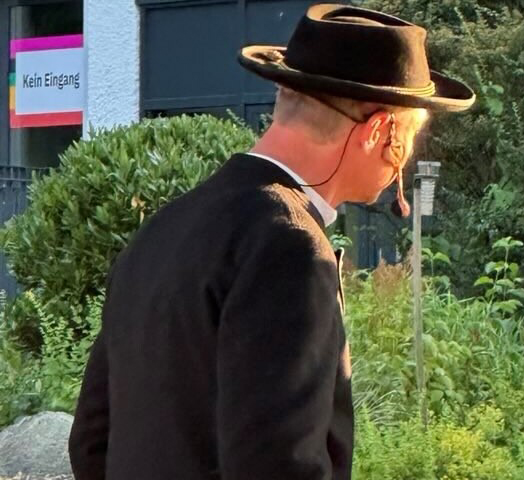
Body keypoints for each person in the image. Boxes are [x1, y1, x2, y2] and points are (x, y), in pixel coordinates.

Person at [67, 5, 474, 479]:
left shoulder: (161, 230)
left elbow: (92, 440)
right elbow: (280, 465)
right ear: (380, 131)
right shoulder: (291, 248)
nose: (400, 167)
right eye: (407, 140)